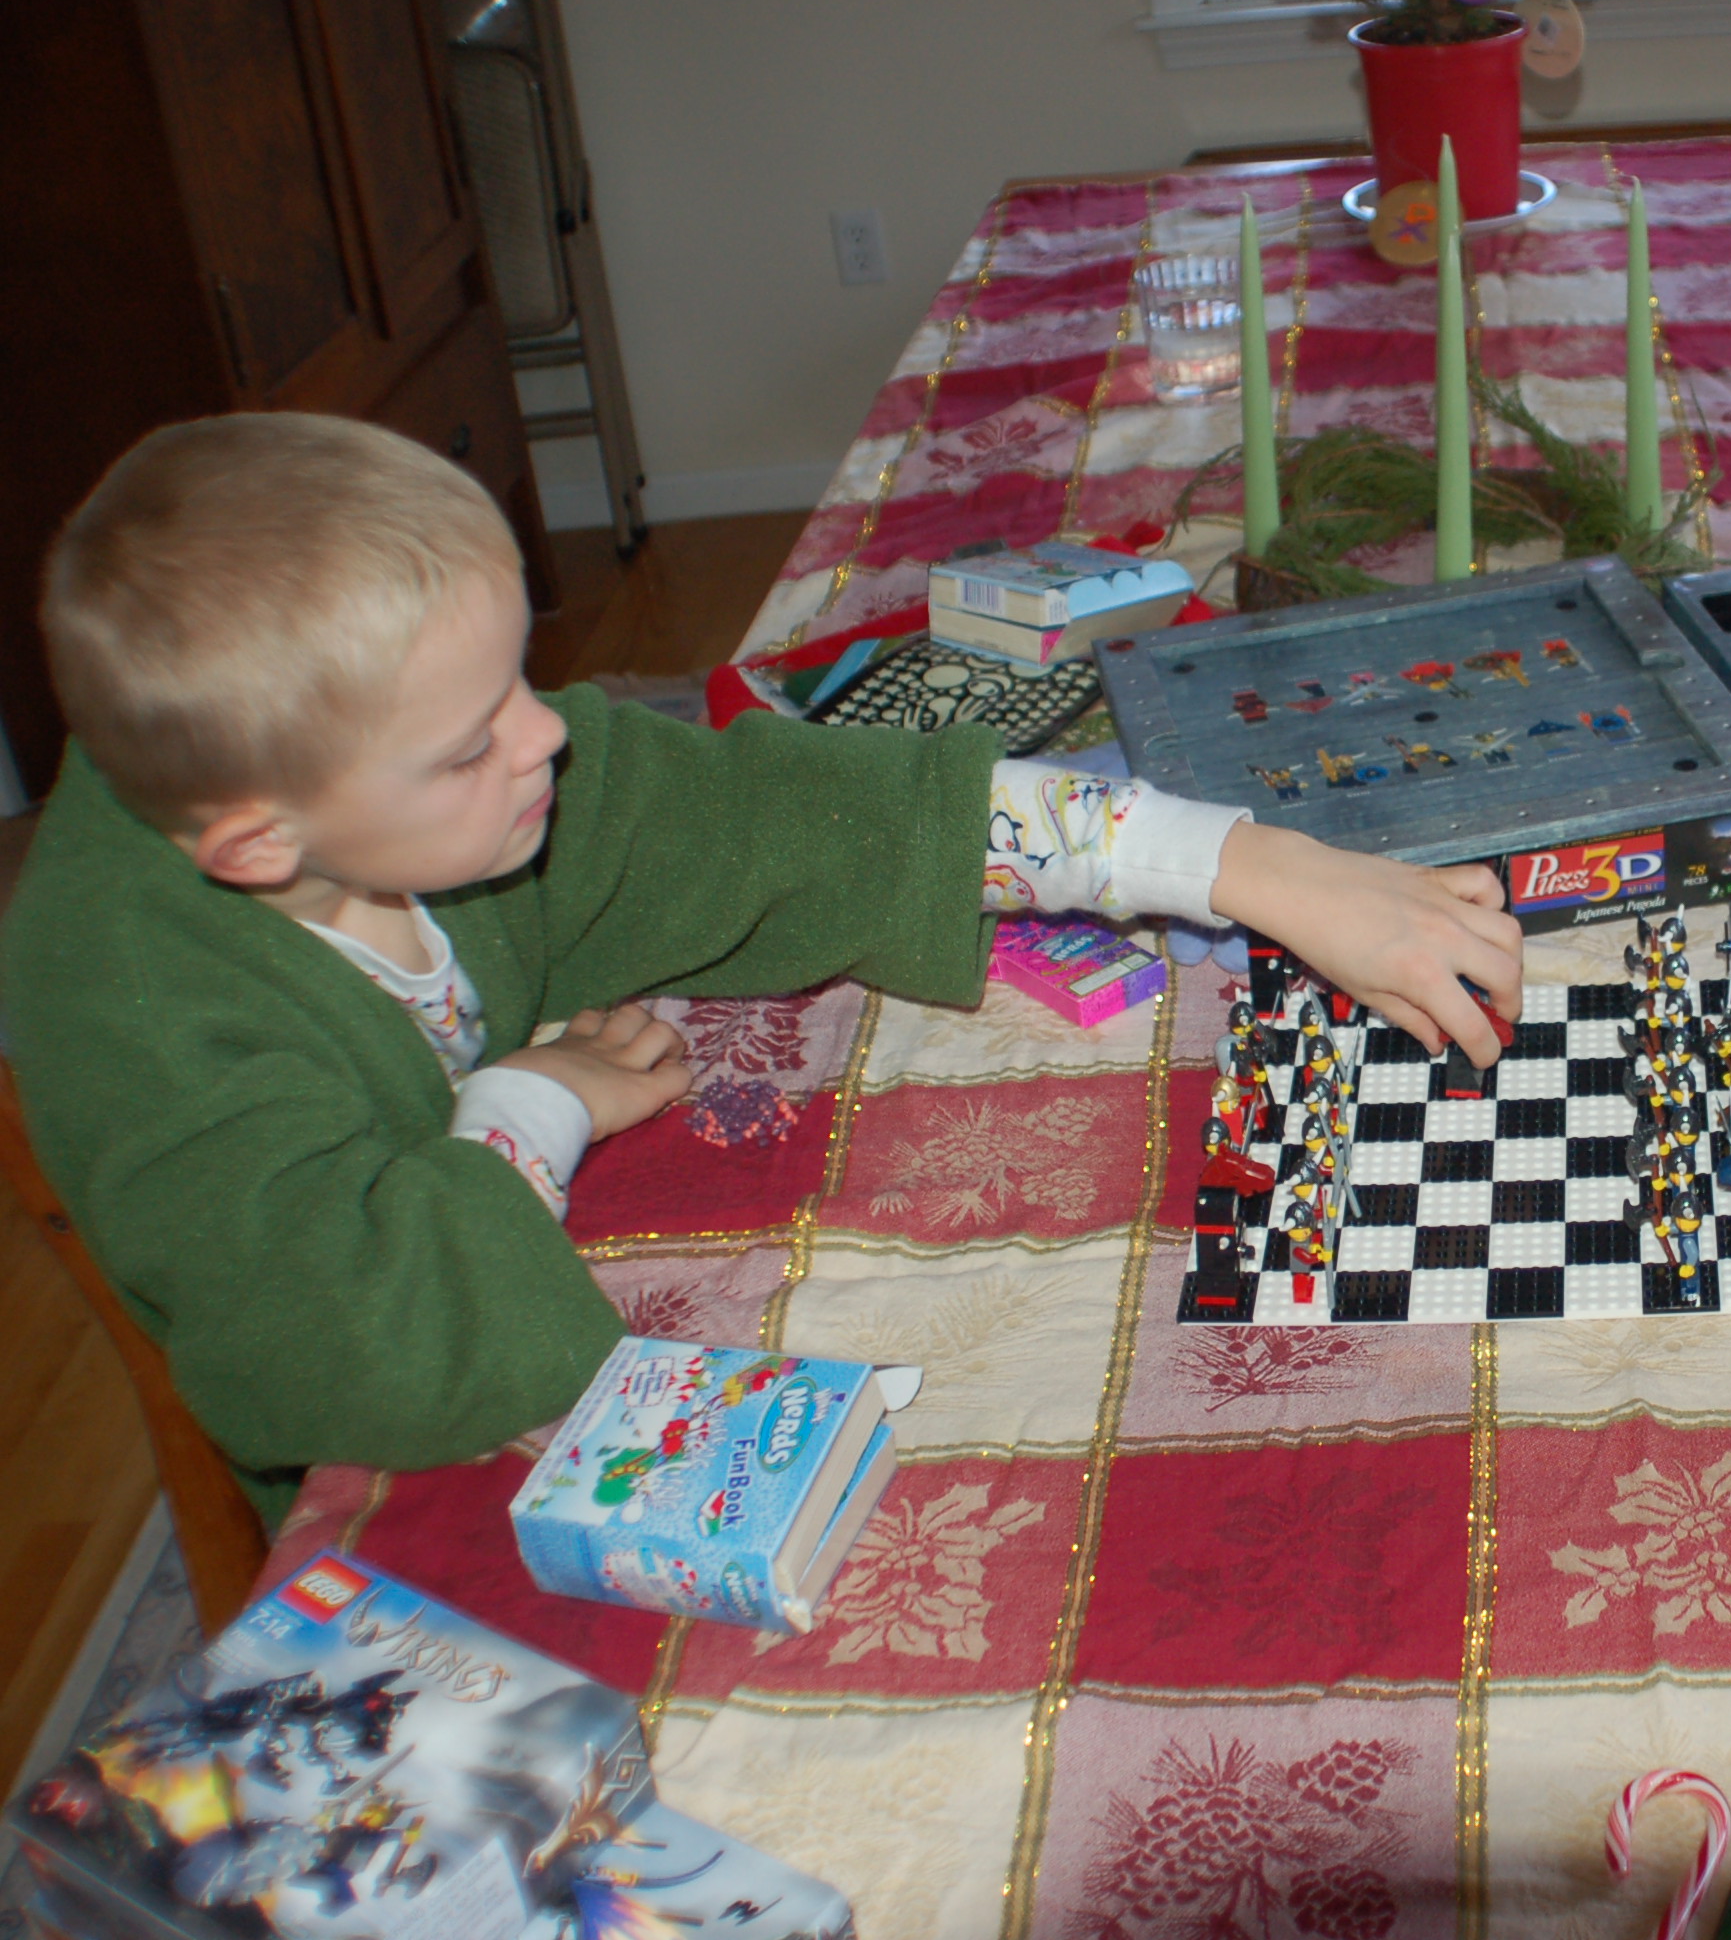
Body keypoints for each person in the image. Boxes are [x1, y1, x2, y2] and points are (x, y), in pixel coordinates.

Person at [2, 413, 1525, 1522]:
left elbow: (803, 816)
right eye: (470, 744)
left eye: (521, 680)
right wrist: (533, 1099)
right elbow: (367, 1344)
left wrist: (1249, 866)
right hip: (418, 1495)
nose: (545, 737)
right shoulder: (142, 1017)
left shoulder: (390, 780)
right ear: (258, 846)